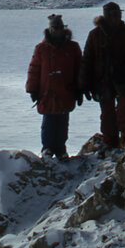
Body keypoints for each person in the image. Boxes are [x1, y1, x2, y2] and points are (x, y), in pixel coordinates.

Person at [79, 2, 125, 152]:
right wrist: (84, 84)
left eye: (118, 14)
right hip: (102, 81)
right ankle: (110, 143)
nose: (116, 17)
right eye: (113, 14)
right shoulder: (95, 35)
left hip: (123, 80)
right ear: (106, 16)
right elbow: (87, 59)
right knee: (107, 114)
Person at [26, 14, 82, 159]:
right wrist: (32, 89)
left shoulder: (73, 47)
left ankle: (61, 149)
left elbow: (79, 68)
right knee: (49, 120)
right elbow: (34, 69)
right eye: (55, 28)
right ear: (50, 29)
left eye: (60, 27)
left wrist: (80, 88)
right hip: (47, 92)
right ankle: (47, 148)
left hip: (66, 90)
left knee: (63, 121)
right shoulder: (41, 49)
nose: (58, 31)